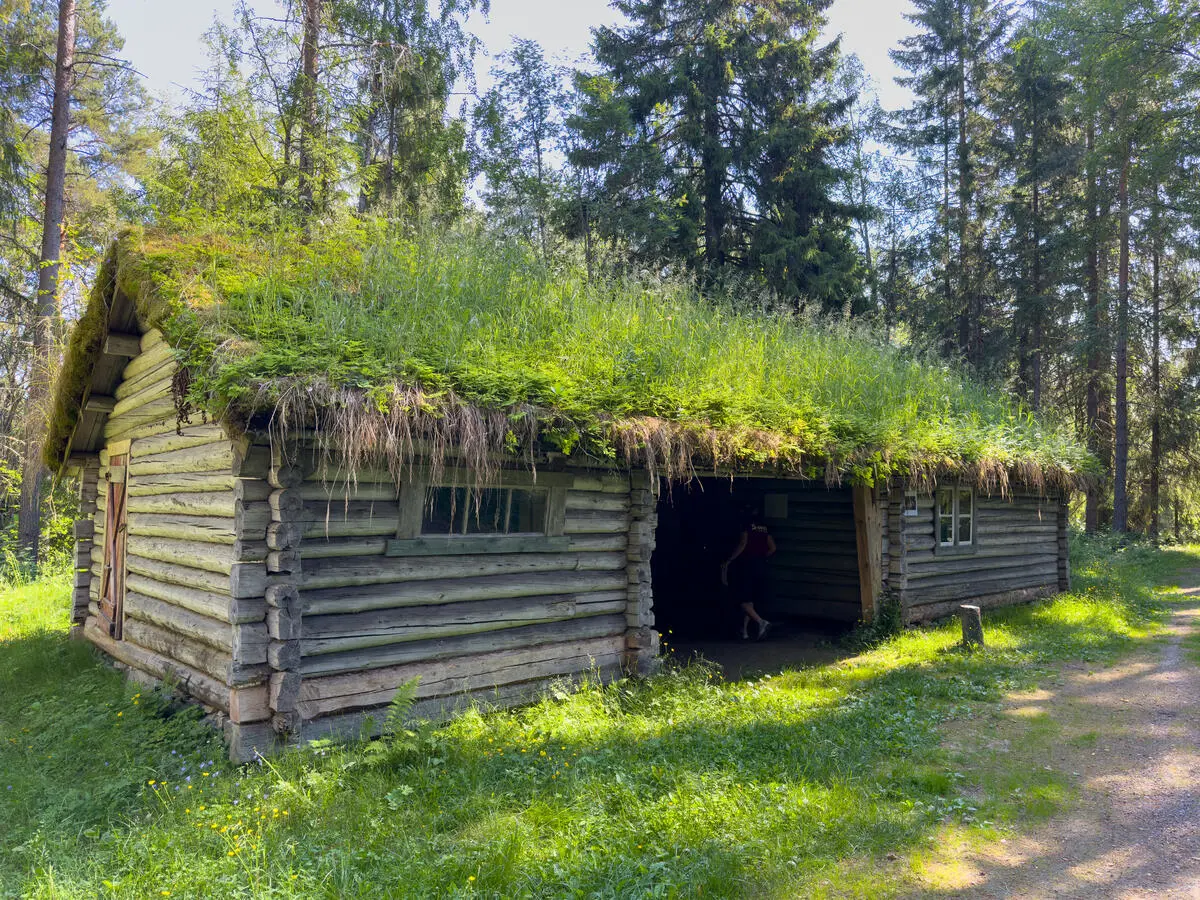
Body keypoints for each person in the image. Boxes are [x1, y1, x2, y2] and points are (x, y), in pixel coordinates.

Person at [720, 508, 776, 640]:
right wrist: (762, 557)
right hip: (761, 567)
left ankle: (761, 622)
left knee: (742, 600)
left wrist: (730, 560)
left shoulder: (746, 525)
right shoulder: (765, 528)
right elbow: (773, 548)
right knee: (750, 601)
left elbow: (743, 543)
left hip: (747, 566)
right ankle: (744, 632)